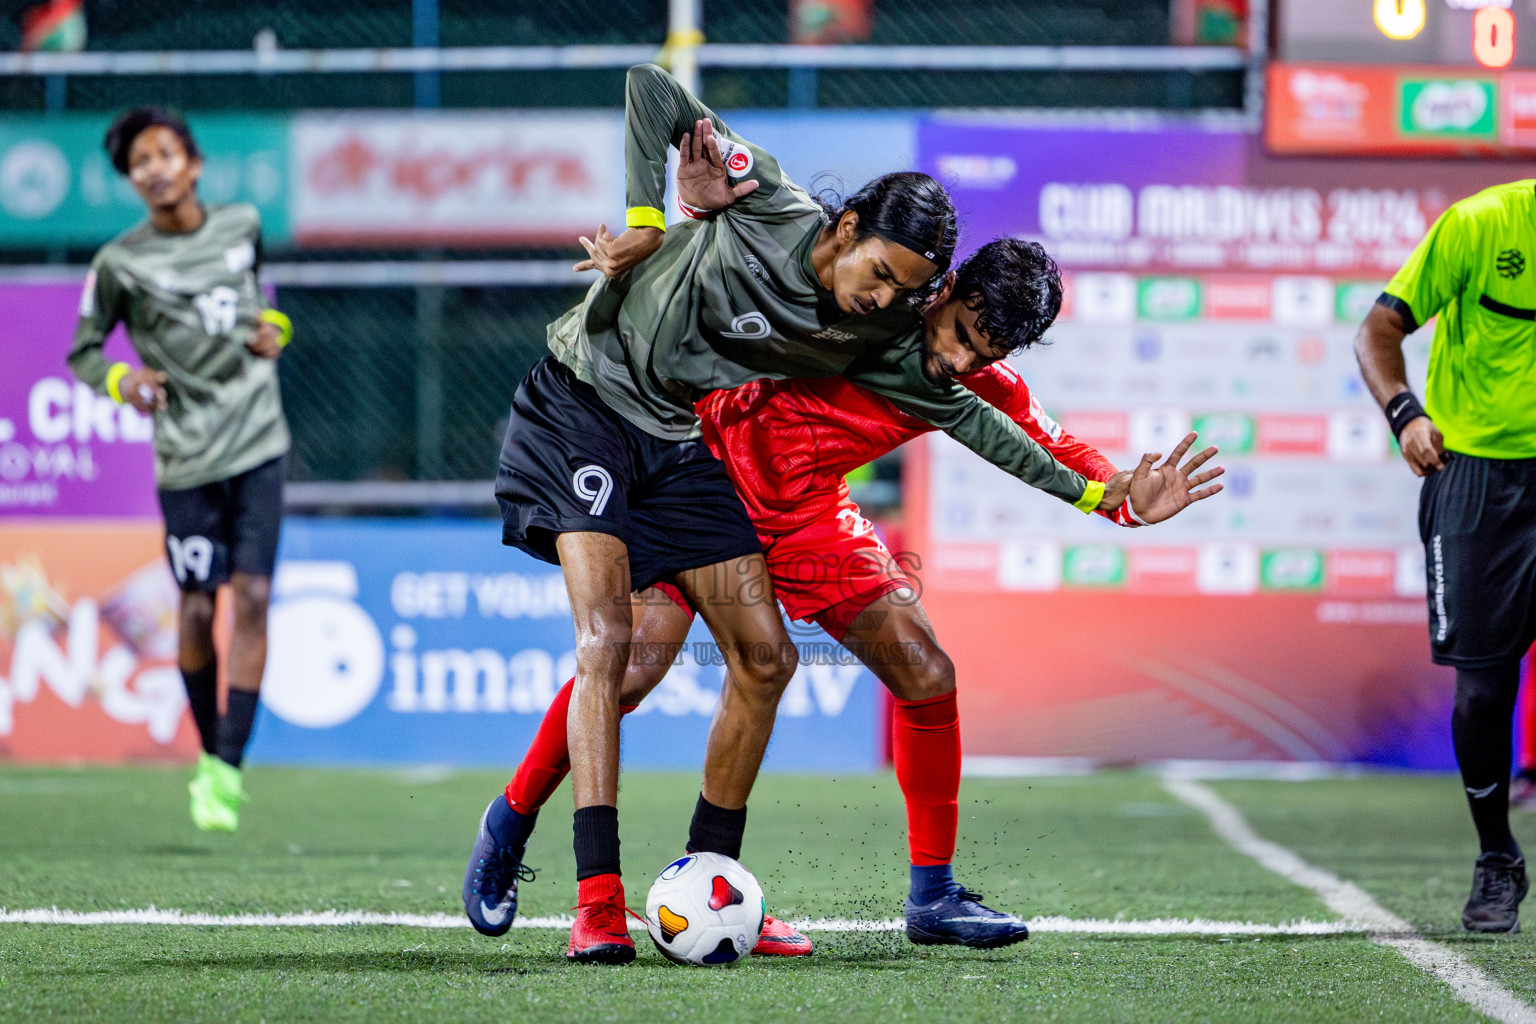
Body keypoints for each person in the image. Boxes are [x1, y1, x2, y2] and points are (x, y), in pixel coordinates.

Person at [472, 64, 1129, 965]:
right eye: (961, 329)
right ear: (947, 289)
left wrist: (1115, 495)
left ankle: (912, 894)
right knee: (626, 671)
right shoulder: (862, 283)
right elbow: (727, 214)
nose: (961, 357)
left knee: (923, 669)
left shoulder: (946, 356)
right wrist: (680, 214)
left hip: (809, 515)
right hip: (711, 465)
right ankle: (513, 821)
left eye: (987, 351)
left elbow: (1037, 437)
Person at [67, 107, 293, 834]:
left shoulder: (242, 224)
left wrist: (275, 331)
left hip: (258, 439)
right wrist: (122, 383)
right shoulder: (119, 263)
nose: (156, 168)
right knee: (198, 607)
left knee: (254, 597)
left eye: (166, 153)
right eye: (141, 162)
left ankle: (226, 766)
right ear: (131, 181)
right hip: (186, 457)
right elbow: (84, 352)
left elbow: (265, 308)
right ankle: (208, 750)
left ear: (193, 164)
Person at [1355, 179, 1536, 933]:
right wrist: (1406, 414)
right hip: (1479, 482)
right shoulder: (1479, 225)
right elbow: (1376, 332)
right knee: (1483, 696)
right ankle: (1498, 857)